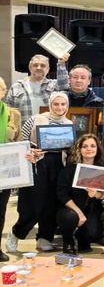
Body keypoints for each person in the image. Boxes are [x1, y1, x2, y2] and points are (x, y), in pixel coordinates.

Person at [6, 91, 71, 254]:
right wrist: (30, 153)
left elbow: (71, 148)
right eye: (56, 104)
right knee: (33, 203)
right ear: (50, 104)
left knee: (52, 203)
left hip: (58, 165)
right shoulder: (35, 119)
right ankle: (16, 233)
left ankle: (44, 238)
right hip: (37, 163)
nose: (59, 107)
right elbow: (21, 142)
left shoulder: (69, 123)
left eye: (63, 104)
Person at [56, 134, 104, 254]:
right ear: (79, 150)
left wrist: (96, 194)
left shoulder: (103, 169)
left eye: (92, 146)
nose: (89, 149)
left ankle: (81, 239)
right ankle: (68, 242)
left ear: (97, 149)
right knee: (70, 217)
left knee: (92, 236)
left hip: (92, 208)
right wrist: (79, 213)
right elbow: (62, 195)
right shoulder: (70, 169)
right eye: (85, 146)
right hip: (70, 208)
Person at [3, 53, 69, 120]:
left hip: (47, 129)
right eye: (35, 65)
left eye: (42, 65)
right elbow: (8, 110)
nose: (38, 68)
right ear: (30, 68)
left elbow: (64, 85)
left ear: (48, 69)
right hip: (23, 128)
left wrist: (61, 64)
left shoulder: (54, 85)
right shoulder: (17, 86)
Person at [0, 77, 22, 261]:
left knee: (1, 210)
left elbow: (18, 141)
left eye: (1, 89)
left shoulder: (13, 114)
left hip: (4, 170)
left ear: (4, 92)